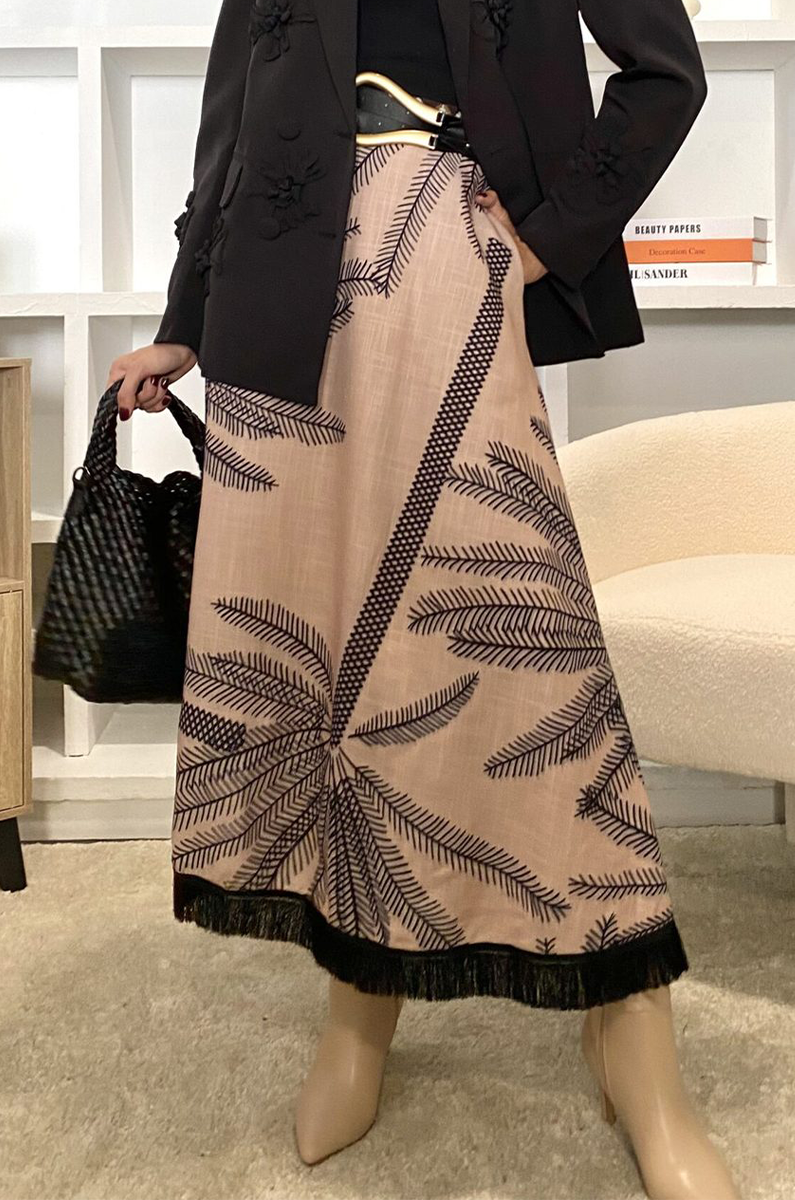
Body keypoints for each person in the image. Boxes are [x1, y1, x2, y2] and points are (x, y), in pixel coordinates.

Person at [107, 1, 741, 1194]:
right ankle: (360, 1009)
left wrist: (547, 238)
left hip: (445, 251)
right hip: (273, 289)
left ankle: (632, 1030)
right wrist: (184, 322)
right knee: (327, 654)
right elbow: (232, 112)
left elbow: (664, 70)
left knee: (515, 640)